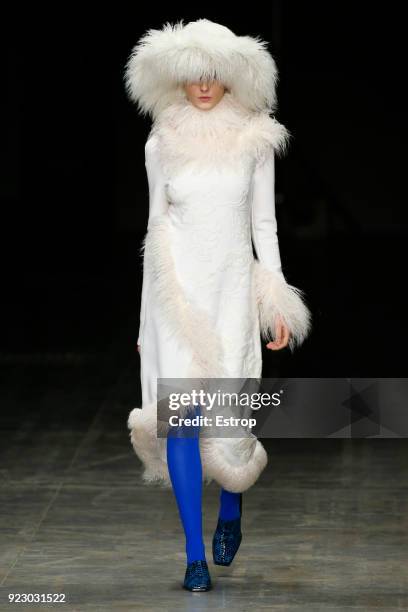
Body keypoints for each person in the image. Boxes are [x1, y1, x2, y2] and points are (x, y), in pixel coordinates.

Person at [124, 18, 312, 591]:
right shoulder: (161, 141)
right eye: (193, 76)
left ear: (233, 78)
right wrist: (144, 320)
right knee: (181, 422)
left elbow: (264, 225)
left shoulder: (255, 139)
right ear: (175, 79)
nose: (204, 87)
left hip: (230, 292)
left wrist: (274, 302)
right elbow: (155, 227)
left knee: (228, 423)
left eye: (215, 76)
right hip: (176, 295)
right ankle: (192, 554)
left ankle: (232, 506)